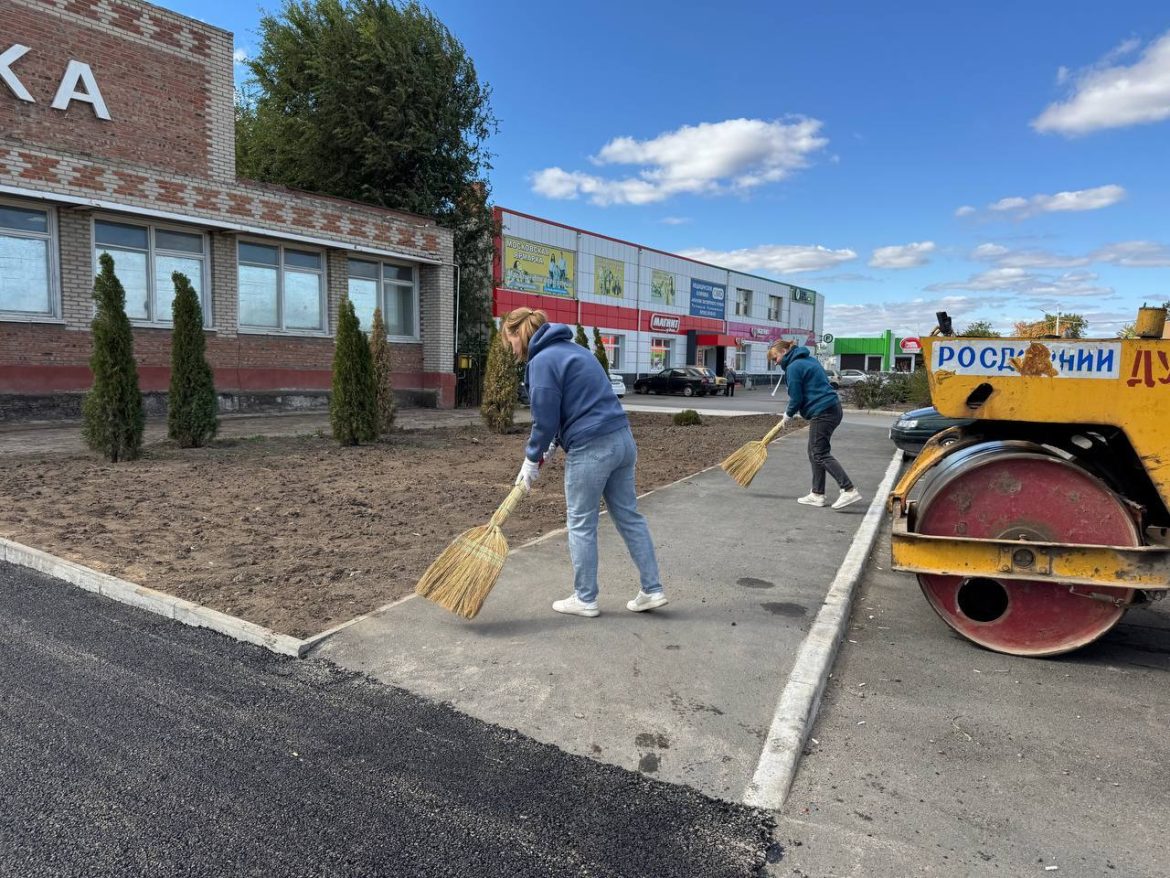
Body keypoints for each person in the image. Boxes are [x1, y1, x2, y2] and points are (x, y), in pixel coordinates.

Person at [502, 307, 668, 618]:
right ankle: (652, 589)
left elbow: (544, 419)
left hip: (591, 448)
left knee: (581, 522)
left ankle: (585, 598)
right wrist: (552, 445)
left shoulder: (541, 362)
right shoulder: (576, 350)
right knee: (629, 516)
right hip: (622, 439)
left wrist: (531, 458)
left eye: (508, 341)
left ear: (518, 334)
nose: (510, 349)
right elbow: (579, 402)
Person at [769, 340, 862, 510]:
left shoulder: (793, 367)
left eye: (775, 357)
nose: (775, 362)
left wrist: (787, 415)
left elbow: (796, 397)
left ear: (783, 351)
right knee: (814, 452)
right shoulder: (809, 360)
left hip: (823, 411)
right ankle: (817, 494)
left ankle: (848, 489)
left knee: (819, 453)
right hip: (832, 408)